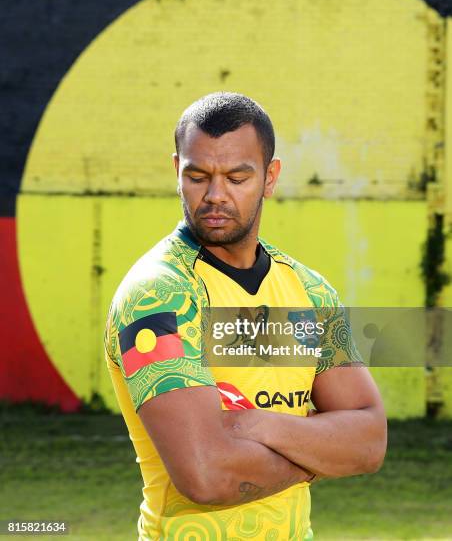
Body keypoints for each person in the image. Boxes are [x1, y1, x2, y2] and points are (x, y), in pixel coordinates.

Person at [104, 92, 387, 540]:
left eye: (238, 177)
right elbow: (207, 476)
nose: (216, 196)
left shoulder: (308, 291)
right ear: (176, 171)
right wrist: (319, 452)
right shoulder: (158, 297)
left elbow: (369, 442)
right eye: (198, 177)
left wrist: (253, 424)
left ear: (270, 177)